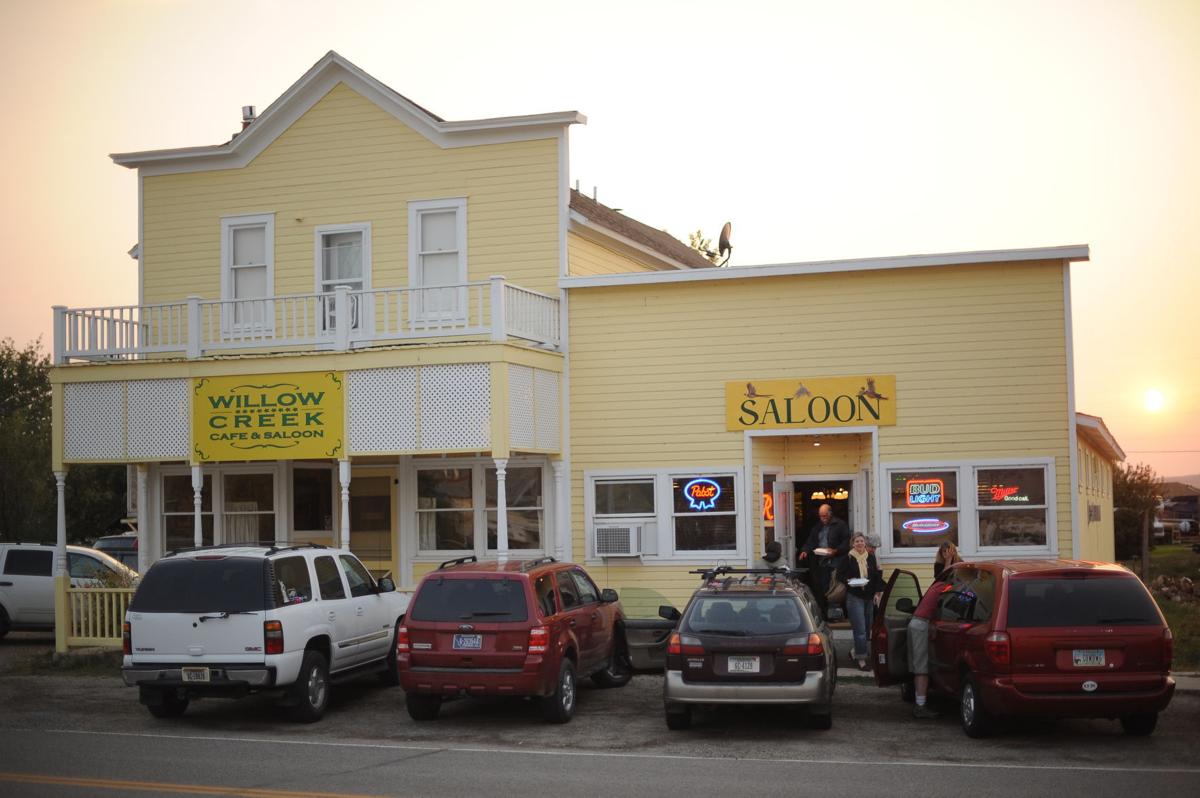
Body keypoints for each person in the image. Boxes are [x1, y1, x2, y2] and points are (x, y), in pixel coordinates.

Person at [907, 573, 954, 718]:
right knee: (922, 668)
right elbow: (951, 607)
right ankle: (920, 707)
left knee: (918, 666)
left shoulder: (936, 586)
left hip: (916, 622)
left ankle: (919, 702)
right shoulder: (947, 588)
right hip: (922, 624)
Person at [836, 532, 882, 671]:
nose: (860, 543)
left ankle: (854, 652)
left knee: (867, 629)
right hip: (854, 596)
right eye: (857, 541)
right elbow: (839, 575)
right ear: (853, 544)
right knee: (860, 629)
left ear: (865, 543)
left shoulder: (871, 558)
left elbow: (875, 576)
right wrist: (849, 581)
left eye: (862, 541)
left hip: (868, 597)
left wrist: (877, 593)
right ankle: (861, 659)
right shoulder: (848, 558)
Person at [798, 504, 850, 618]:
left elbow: (846, 543)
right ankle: (824, 614)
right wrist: (805, 550)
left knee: (836, 588)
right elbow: (811, 541)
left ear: (830, 514)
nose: (823, 519)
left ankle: (837, 615)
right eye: (821, 516)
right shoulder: (817, 527)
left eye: (825, 516)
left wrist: (835, 551)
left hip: (837, 562)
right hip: (821, 561)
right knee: (822, 587)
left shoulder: (840, 525)